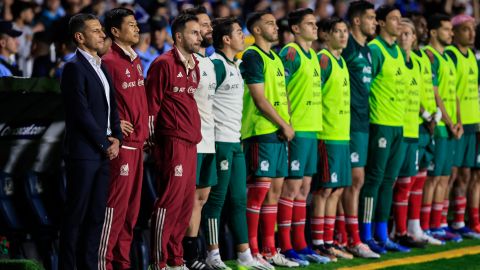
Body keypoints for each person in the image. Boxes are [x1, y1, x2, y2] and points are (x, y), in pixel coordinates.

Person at [201, 16, 274, 270]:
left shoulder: (236, 64)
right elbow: (203, 103)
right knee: (217, 200)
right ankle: (213, 255)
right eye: (239, 33)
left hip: (235, 142)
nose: (244, 37)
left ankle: (244, 255)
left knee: (239, 199)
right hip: (219, 142)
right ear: (226, 39)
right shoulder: (215, 65)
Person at [59, 13, 122, 270]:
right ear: (79, 37)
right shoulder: (73, 67)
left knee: (96, 216)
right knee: (76, 216)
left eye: (101, 30)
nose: (102, 34)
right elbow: (80, 113)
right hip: (84, 153)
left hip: (103, 151)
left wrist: (116, 136)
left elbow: (112, 108)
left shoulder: (101, 66)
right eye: (96, 31)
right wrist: (104, 143)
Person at [241, 11, 298, 268]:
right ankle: (251, 252)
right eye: (270, 23)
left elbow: (282, 95)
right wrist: (284, 124)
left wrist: (288, 123)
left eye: (275, 23)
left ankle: (269, 249)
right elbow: (259, 99)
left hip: (277, 133)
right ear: (256, 30)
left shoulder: (275, 57)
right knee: (259, 192)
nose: (276, 27)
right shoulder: (252, 56)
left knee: (275, 192)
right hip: (260, 131)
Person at [146, 13, 202, 270]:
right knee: (169, 201)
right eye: (194, 33)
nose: (199, 37)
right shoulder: (163, 64)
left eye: (199, 33)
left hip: (191, 142)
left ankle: (175, 259)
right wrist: (151, 141)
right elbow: (151, 107)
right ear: (178, 36)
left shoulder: (194, 65)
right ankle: (158, 262)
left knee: (185, 203)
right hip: (172, 142)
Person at [277, 8, 329, 265]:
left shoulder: (314, 57)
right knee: (292, 187)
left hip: (313, 129)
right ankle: (285, 245)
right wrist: (286, 122)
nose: (314, 28)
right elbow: (278, 87)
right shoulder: (291, 52)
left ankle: (300, 243)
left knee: (305, 188)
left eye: (315, 23)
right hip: (296, 129)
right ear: (295, 28)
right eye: (309, 24)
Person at [99, 8, 148, 270]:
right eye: (131, 25)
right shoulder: (108, 62)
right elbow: (101, 102)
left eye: (137, 24)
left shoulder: (136, 60)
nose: (137, 28)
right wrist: (114, 126)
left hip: (139, 144)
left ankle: (122, 263)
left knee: (131, 212)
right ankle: (104, 263)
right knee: (115, 210)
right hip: (122, 146)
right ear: (115, 32)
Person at [358, 5, 409, 254]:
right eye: (394, 19)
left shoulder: (398, 51)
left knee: (389, 181)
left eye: (400, 19)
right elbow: (365, 88)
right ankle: (366, 234)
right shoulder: (375, 50)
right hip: (380, 124)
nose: (399, 24)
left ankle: (382, 234)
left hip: (398, 125)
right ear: (380, 22)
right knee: (375, 180)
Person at [339, 1, 380, 258]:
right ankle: (351, 238)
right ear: (357, 21)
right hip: (348, 123)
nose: (374, 22)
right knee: (352, 181)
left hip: (364, 122)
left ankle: (349, 236)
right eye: (371, 18)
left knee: (356, 180)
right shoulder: (347, 47)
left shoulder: (366, 51)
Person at [310, 17, 353, 261]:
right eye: (337, 31)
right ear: (325, 35)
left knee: (336, 190)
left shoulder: (341, 61)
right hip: (326, 134)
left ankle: (329, 240)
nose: (343, 35)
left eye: (345, 31)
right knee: (324, 191)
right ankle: (319, 242)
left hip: (342, 135)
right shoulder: (323, 60)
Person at [401, 15, 444, 246]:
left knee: (421, 177)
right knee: (407, 179)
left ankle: (416, 225)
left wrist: (435, 112)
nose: (422, 29)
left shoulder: (422, 60)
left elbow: (428, 89)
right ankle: (405, 227)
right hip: (416, 122)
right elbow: (409, 91)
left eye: (411, 31)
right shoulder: (404, 59)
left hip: (428, 124)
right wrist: (426, 114)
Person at [180, 7, 216, 270]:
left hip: (210, 138)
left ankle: (196, 250)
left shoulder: (209, 63)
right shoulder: (186, 62)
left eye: (208, 25)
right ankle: (188, 253)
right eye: (203, 26)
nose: (208, 29)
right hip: (193, 140)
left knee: (202, 198)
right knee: (190, 199)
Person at [421, 14, 462, 243]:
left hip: (450, 126)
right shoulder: (430, 56)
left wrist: (459, 121)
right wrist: (448, 121)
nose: (451, 33)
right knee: (433, 177)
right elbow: (435, 93)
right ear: (434, 32)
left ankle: (439, 223)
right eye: (446, 29)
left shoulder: (448, 58)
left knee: (445, 177)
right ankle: (426, 226)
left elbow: (453, 93)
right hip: (438, 126)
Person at [390, 18, 427, 249]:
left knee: (407, 182)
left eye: (408, 34)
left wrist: (428, 113)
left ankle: (401, 229)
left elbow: (421, 95)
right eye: (401, 33)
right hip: (395, 128)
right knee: (391, 182)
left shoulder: (419, 63)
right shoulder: (393, 60)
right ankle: (390, 230)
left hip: (414, 128)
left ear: (414, 38)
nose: (404, 37)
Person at [444, 14, 480, 239]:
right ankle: (446, 221)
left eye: (473, 29)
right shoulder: (451, 56)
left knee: (470, 175)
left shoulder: (474, 59)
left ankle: (463, 221)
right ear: (455, 32)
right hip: (459, 124)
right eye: (466, 29)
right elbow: (452, 92)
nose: (471, 33)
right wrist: (455, 120)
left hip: (474, 123)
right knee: (453, 174)